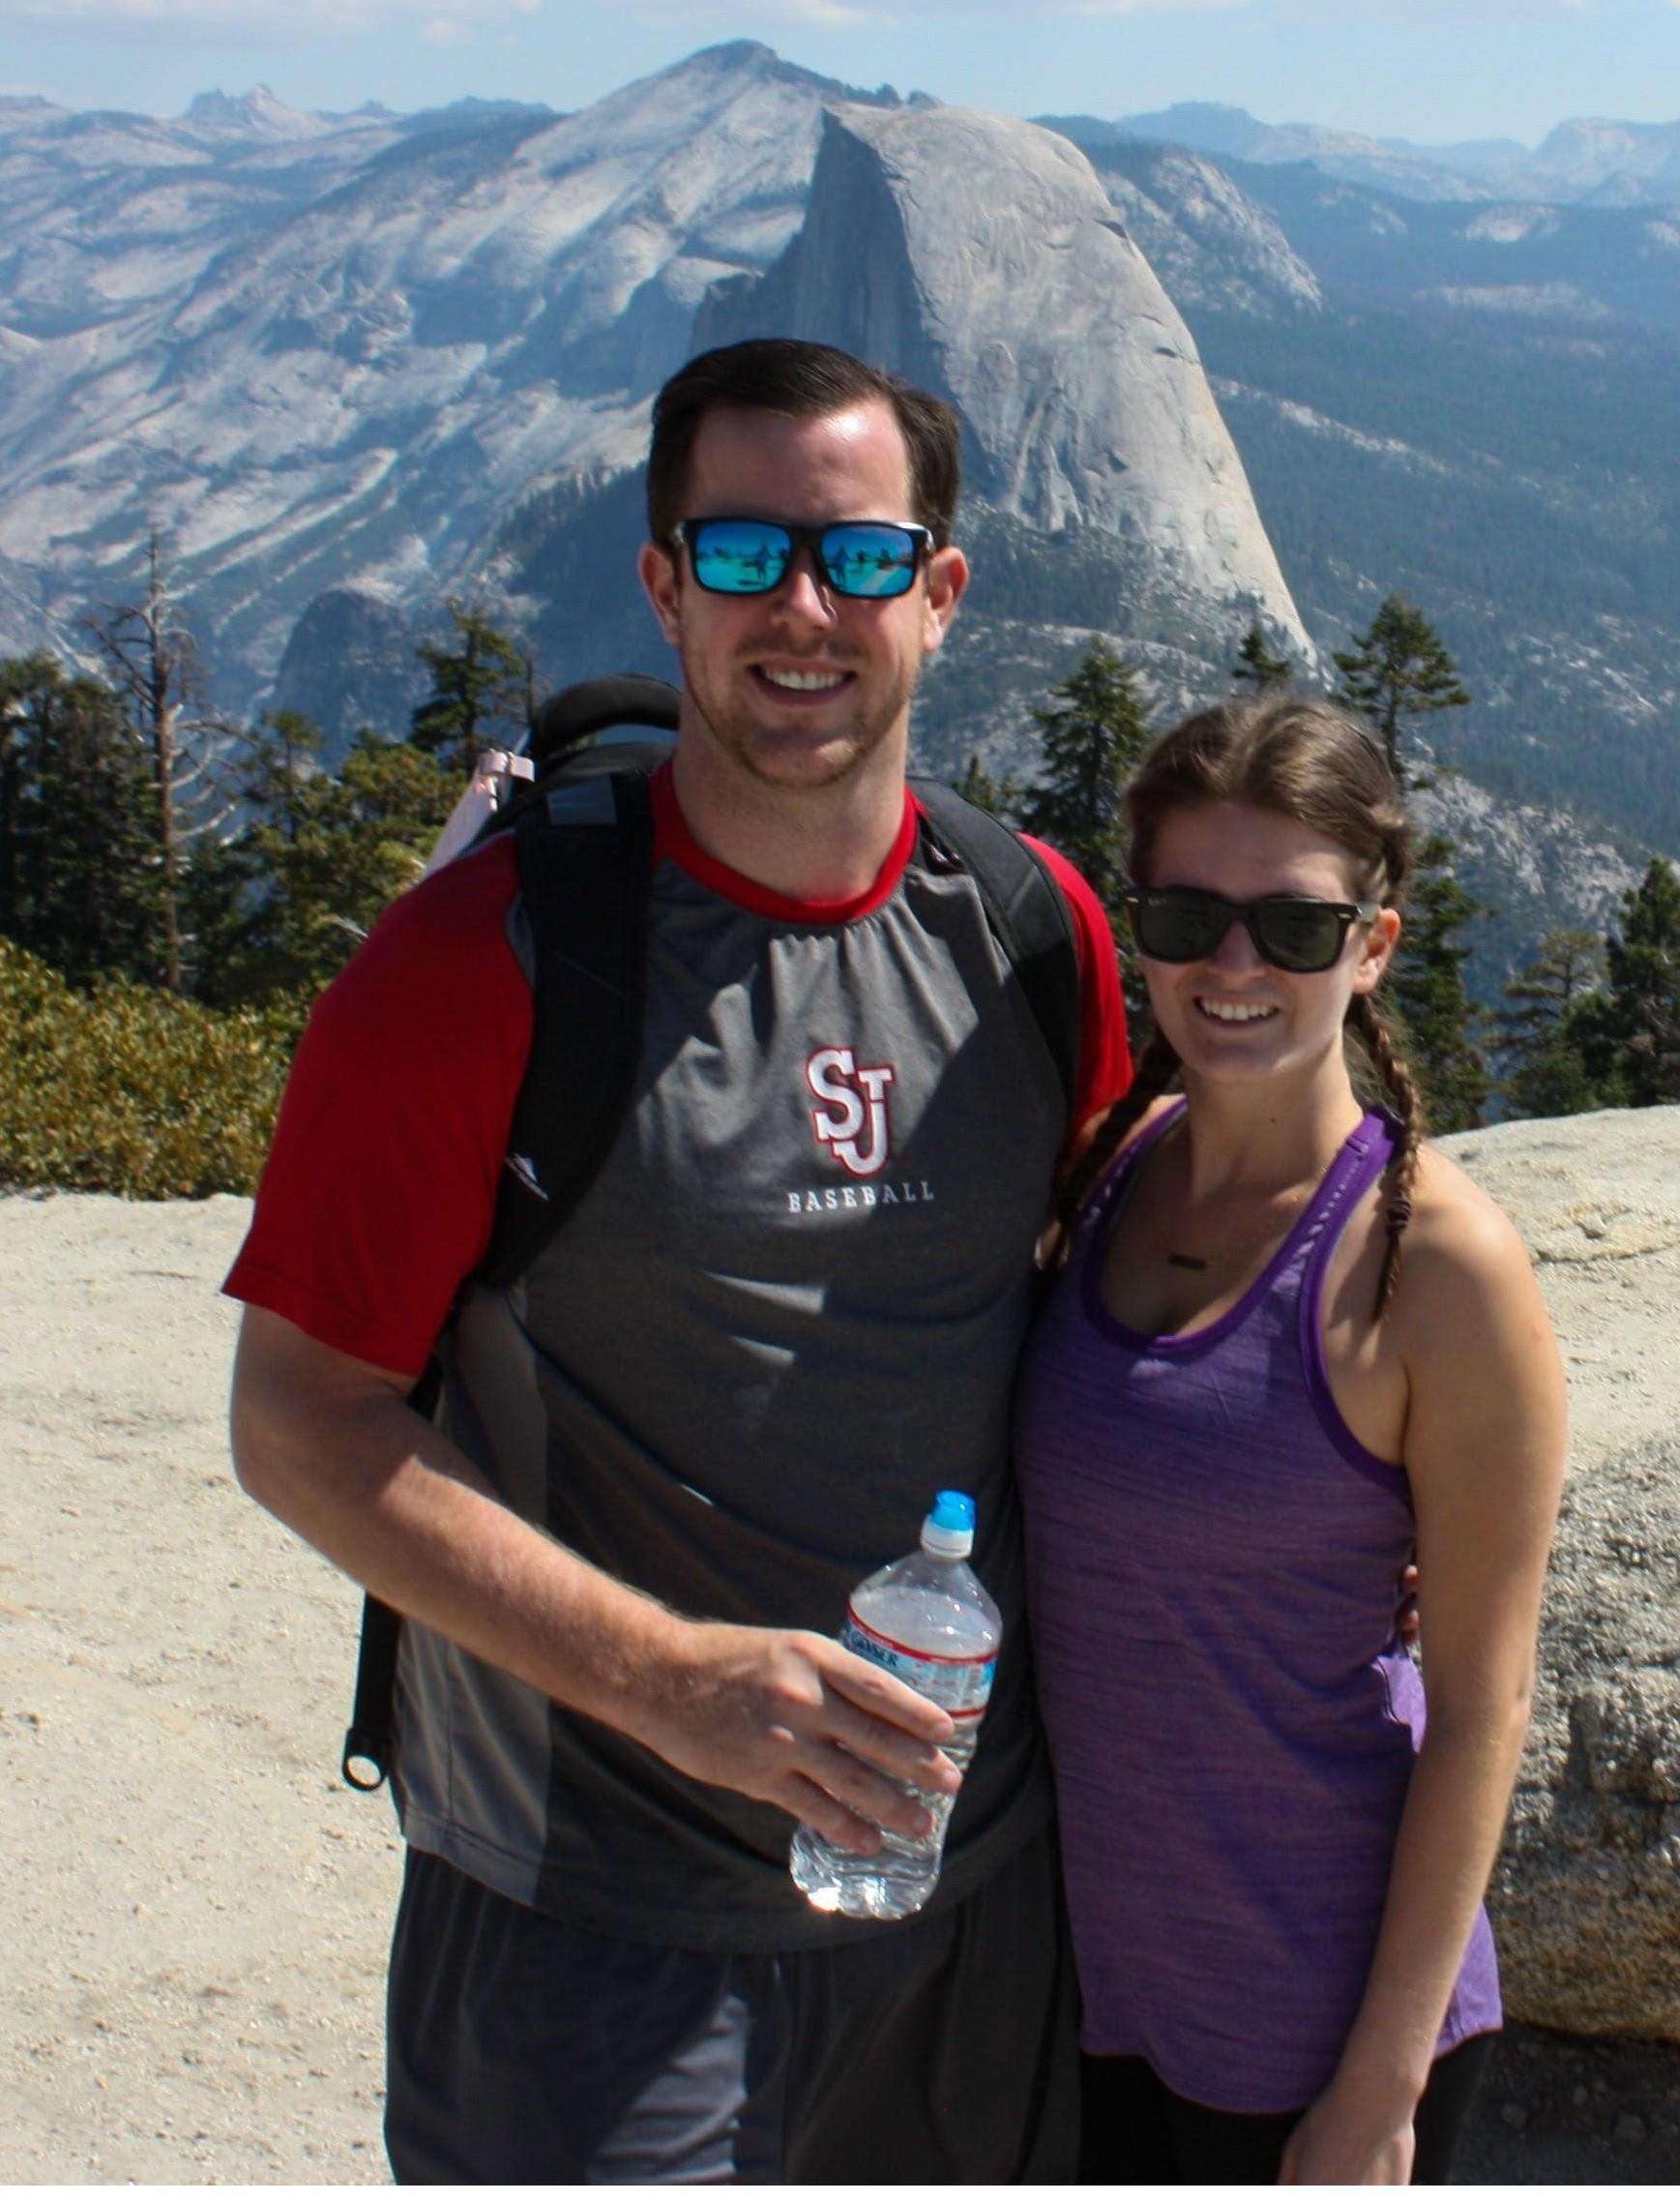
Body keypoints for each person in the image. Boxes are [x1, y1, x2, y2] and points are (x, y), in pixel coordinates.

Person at [223, 336, 1134, 2182]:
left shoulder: (1035, 935)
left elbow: (1115, 1308)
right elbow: (302, 1422)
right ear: (662, 584)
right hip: (593, 1923)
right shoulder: (477, 972)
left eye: (861, 558)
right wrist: (667, 1681)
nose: (804, 609)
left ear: (941, 596)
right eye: (741, 557)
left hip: (966, 1908)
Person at [1016, 697, 1568, 2184]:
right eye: (1190, 914)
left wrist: (1379, 2091)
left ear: (1375, 947)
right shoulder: (1106, 1185)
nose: (1235, 966)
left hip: (1314, 2021)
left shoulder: (1439, 1271)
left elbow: (1481, 1710)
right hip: (1086, 1997)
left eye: (1296, 929)